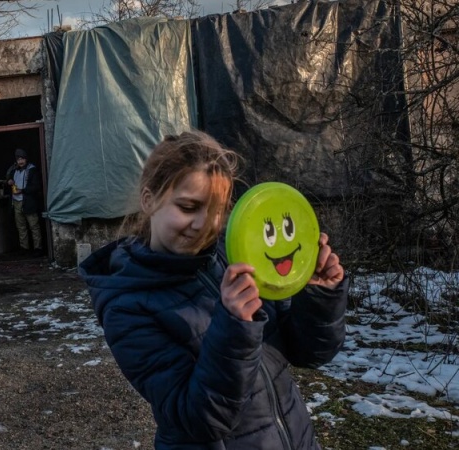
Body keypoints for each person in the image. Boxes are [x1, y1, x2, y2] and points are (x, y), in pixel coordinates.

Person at [79, 130, 347, 449]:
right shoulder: (127, 304)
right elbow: (200, 419)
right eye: (188, 207)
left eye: (216, 210)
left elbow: (308, 352)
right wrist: (234, 327)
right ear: (149, 200)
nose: (203, 225)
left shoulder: (235, 254)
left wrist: (318, 295)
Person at [6, 148, 43, 255]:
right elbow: (8, 177)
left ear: (26, 159)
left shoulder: (32, 170)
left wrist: (22, 190)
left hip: (28, 202)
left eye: (22, 159)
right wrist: (9, 181)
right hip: (16, 202)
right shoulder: (14, 170)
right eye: (18, 159)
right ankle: (24, 248)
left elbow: (36, 187)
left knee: (34, 226)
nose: (20, 161)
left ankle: (38, 248)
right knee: (21, 226)